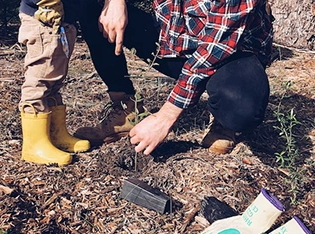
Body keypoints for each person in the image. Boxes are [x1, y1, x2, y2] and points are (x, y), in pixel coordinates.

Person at [75, 0, 274, 155]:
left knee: (242, 107)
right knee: (92, 5)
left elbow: (214, 50)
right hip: (176, 42)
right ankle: (126, 109)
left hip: (231, 53)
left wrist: (165, 117)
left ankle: (224, 123)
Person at [18, 0, 90, 166]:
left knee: (55, 79)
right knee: (40, 79)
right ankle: (34, 145)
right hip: (43, 17)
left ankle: (55, 135)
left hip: (62, 19)